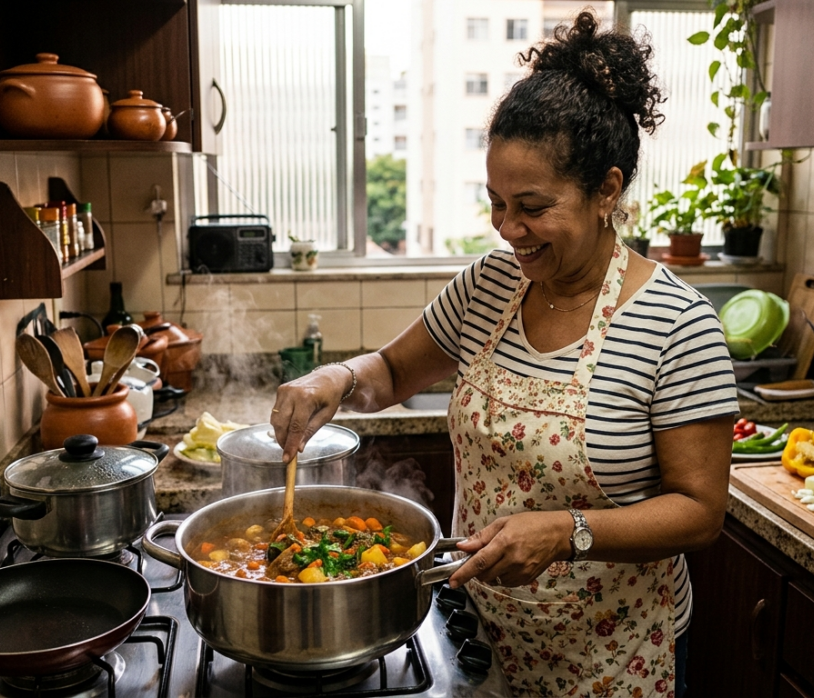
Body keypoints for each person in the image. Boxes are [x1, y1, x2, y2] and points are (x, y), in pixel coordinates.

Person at [270, 11, 736, 696]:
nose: (508, 229)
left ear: (607, 191)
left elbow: (700, 511)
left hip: (613, 657)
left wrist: (566, 533)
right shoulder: (489, 285)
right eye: (495, 202)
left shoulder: (677, 324)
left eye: (532, 206)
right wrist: (333, 378)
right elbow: (394, 371)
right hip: (481, 635)